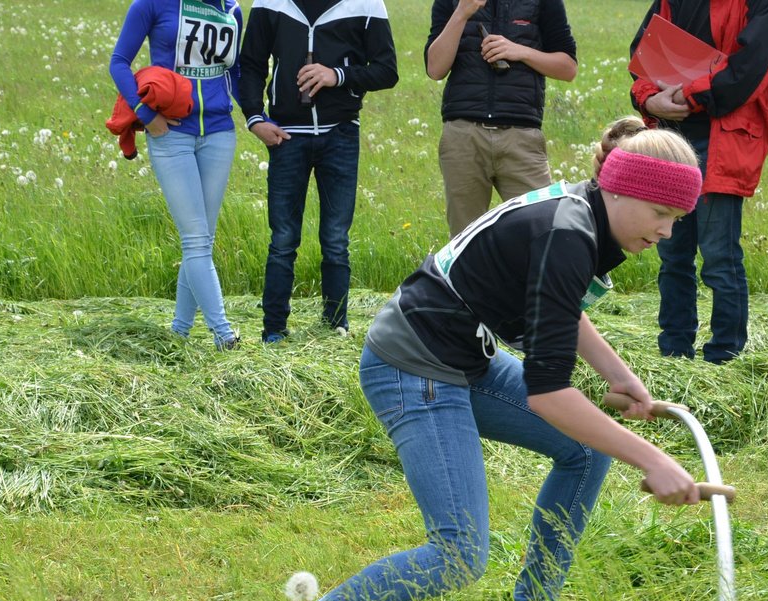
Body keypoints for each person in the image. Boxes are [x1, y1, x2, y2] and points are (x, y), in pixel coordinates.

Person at [266, 118, 705, 601]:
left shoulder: (580, 214)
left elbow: (558, 307)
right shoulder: (568, 234)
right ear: (621, 188)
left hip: (463, 357)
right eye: (661, 213)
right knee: (457, 555)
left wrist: (618, 375)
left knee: (587, 452)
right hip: (414, 366)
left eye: (676, 219)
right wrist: (653, 460)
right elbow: (549, 394)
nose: (667, 232)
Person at [628, 0, 768, 364]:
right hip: (670, 141)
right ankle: (674, 352)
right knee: (672, 255)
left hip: (722, 142)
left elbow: (752, 69)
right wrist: (649, 100)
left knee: (719, 257)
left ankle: (724, 356)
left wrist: (690, 95)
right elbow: (644, 53)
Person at [238, 0, 398, 344]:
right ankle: (274, 331)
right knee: (282, 240)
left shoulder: (367, 3)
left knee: (336, 240)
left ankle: (335, 326)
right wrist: (254, 117)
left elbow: (387, 70)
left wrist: (337, 75)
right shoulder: (269, 3)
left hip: (340, 133)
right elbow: (250, 63)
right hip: (285, 135)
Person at [110, 0, 244, 350]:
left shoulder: (232, 10)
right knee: (196, 240)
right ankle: (224, 335)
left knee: (201, 242)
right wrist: (144, 113)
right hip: (171, 135)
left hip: (220, 134)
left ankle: (180, 332)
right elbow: (118, 62)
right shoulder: (151, 4)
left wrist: (260, 116)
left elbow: (236, 73)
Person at [425, 0, 578, 237]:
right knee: (465, 240)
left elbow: (568, 68)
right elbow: (435, 69)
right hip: (464, 137)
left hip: (521, 136)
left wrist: (520, 51)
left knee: (542, 233)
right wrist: (461, 13)